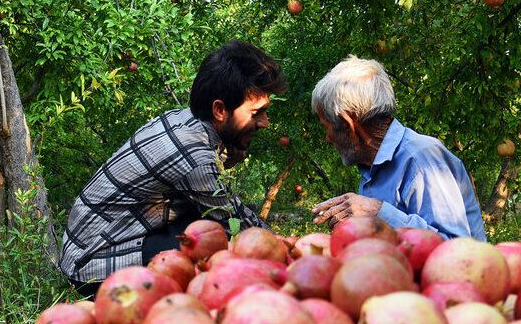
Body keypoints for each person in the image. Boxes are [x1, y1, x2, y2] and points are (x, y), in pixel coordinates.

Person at [59, 40, 287, 296]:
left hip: (89, 245)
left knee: (201, 233)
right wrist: (286, 250)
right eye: (257, 113)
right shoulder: (194, 155)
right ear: (220, 109)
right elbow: (235, 225)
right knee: (213, 249)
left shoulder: (184, 119)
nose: (265, 122)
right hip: (94, 262)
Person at [309, 56, 486, 241]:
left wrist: (377, 212)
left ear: (348, 124)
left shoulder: (421, 158)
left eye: (326, 126)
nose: (327, 139)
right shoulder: (372, 170)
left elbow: (456, 246)